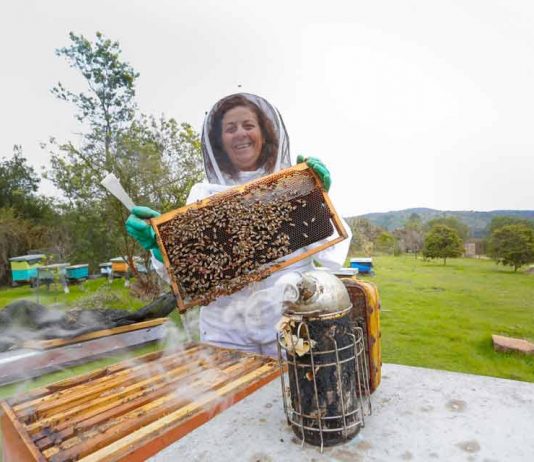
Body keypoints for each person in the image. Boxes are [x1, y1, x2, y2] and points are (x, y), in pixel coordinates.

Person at [126, 93, 351, 356]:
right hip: (224, 330)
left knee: (296, 387)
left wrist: (317, 200)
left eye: (248, 125)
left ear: (265, 133)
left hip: (288, 321)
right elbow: (184, 276)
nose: (240, 134)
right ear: (219, 141)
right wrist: (158, 248)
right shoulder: (203, 195)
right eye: (230, 128)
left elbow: (333, 255)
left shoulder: (292, 185)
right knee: (232, 395)